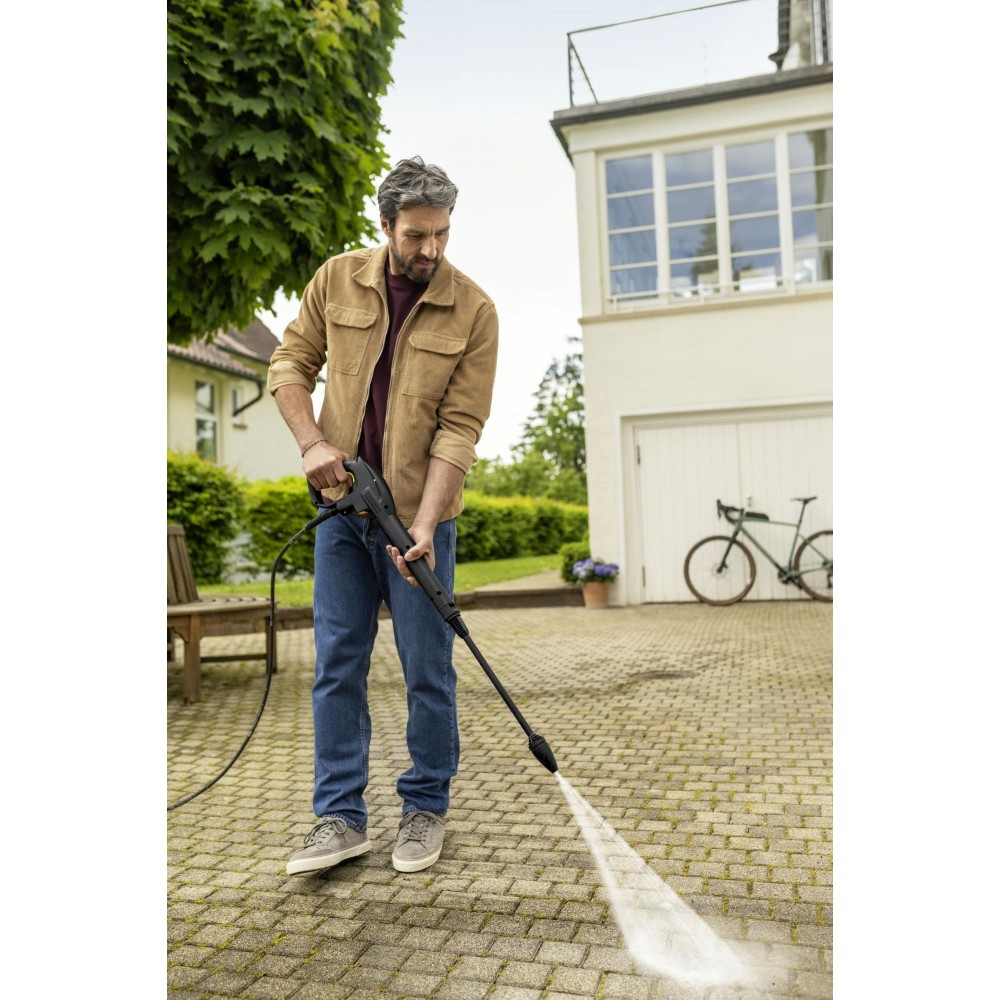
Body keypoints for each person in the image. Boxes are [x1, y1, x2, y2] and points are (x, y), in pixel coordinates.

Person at [267, 157, 499, 876]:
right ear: (386, 225)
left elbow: (460, 428)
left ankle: (425, 806)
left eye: (442, 234)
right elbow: (289, 365)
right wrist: (312, 443)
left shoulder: (474, 310)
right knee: (337, 663)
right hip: (341, 514)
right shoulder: (336, 280)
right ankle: (339, 817)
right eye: (416, 235)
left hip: (421, 522)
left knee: (428, 667)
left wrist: (425, 523)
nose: (431, 249)